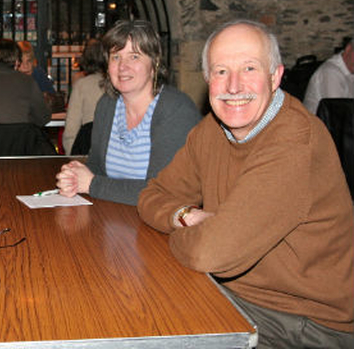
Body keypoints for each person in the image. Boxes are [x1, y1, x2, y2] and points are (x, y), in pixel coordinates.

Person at [138, 20, 354, 348]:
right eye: (221, 71)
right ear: (207, 80)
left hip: (306, 322)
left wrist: (186, 236)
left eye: (249, 68)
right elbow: (152, 196)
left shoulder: (295, 141)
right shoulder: (211, 129)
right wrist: (188, 217)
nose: (234, 86)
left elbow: (210, 252)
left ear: (275, 76)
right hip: (234, 294)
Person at [56, 20, 200, 205]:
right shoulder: (107, 105)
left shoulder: (176, 110)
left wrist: (92, 184)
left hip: (160, 226)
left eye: (134, 57)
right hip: (114, 217)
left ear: (154, 63)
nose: (123, 66)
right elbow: (97, 166)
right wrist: (76, 176)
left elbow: (164, 192)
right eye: (116, 57)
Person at [62, 38, 107, 155]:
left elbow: (71, 129)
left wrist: (72, 155)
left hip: (88, 148)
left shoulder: (81, 85)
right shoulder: (119, 84)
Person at [303, 37, 354, 114]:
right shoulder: (330, 72)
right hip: (317, 125)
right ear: (348, 49)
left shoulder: (349, 70)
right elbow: (338, 115)